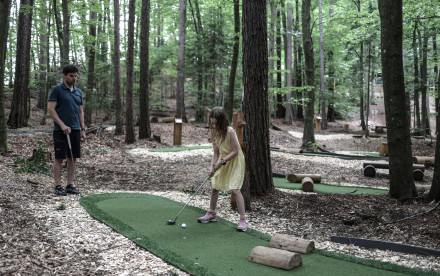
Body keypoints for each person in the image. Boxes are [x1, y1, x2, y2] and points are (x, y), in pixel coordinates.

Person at [198, 107, 248, 231]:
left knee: (235, 190)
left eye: (215, 123)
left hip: (235, 161)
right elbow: (216, 152)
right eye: (212, 123)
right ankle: (212, 214)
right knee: (215, 187)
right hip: (222, 160)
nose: (213, 126)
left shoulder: (230, 131)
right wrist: (212, 167)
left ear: (222, 122)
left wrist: (222, 162)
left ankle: (243, 220)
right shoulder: (213, 132)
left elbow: (236, 151)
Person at [48, 65, 86, 196]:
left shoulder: (78, 92)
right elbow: (51, 110)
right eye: (71, 76)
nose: (74, 78)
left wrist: (83, 129)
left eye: (75, 76)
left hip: (75, 129)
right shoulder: (57, 90)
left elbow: (80, 111)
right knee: (59, 158)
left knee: (73, 158)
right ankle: (58, 186)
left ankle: (69, 185)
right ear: (64, 75)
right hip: (60, 130)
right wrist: (62, 125)